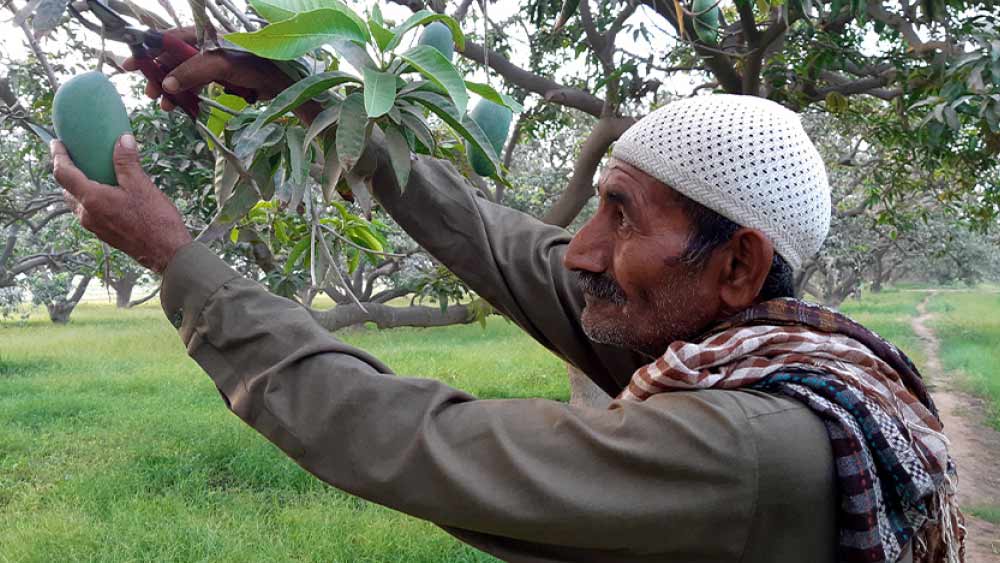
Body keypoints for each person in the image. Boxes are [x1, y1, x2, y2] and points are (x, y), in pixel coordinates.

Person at [50, 37, 964, 563]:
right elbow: (495, 239)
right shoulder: (753, 347)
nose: (583, 253)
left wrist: (175, 258)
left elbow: (416, 441)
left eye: (620, 215)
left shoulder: (748, 449)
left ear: (737, 264)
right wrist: (303, 94)